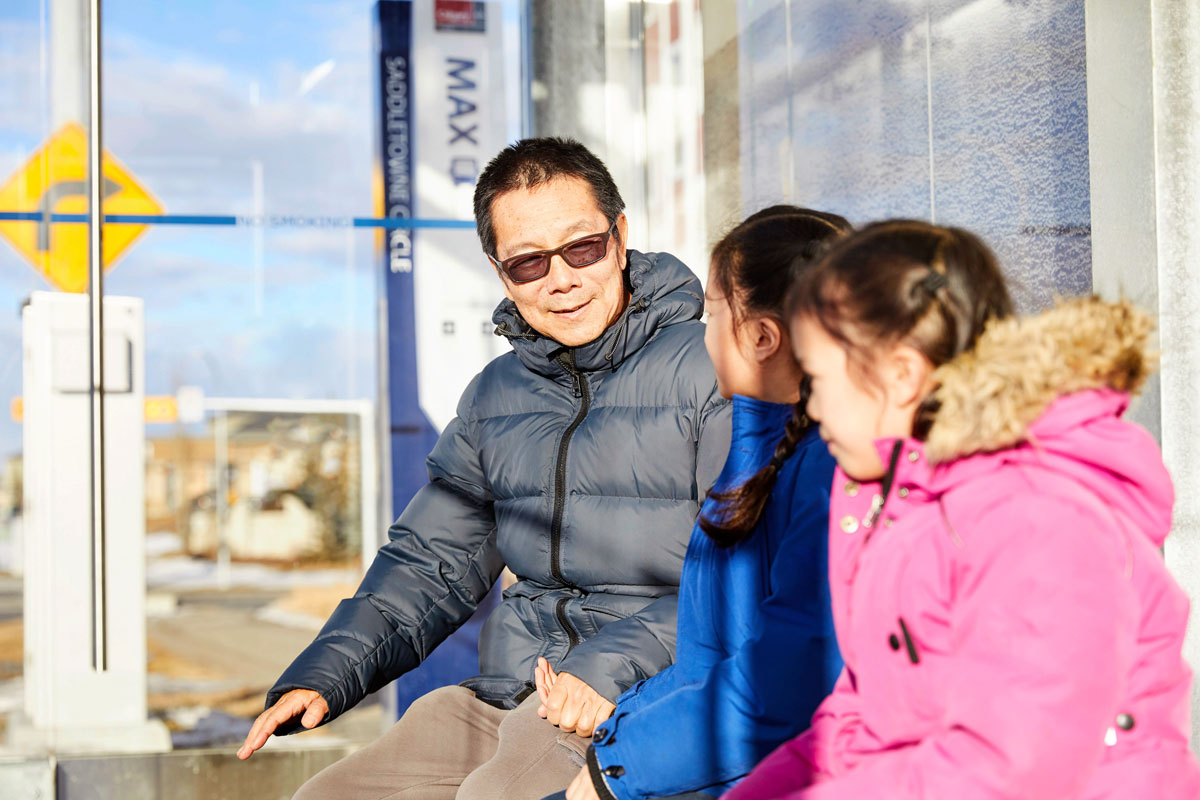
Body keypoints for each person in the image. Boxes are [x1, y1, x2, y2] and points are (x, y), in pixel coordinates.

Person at [236, 137, 731, 800]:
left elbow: (741, 574)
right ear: (501, 273)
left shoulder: (711, 369)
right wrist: (325, 674)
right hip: (511, 689)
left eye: (581, 247)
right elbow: (430, 563)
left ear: (619, 237)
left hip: (643, 693)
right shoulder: (497, 395)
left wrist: (609, 667)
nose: (562, 279)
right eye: (528, 263)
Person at [727, 220, 1200, 799]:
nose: (813, 405)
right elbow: (862, 722)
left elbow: (1014, 767)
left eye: (818, 379)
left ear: (900, 376)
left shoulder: (1035, 518)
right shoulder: (900, 504)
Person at [545, 207, 849, 800]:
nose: (702, 332)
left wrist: (619, 769)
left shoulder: (824, 472)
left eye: (712, 312)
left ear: (761, 337)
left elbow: (785, 686)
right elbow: (705, 662)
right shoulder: (755, 454)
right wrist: (622, 739)